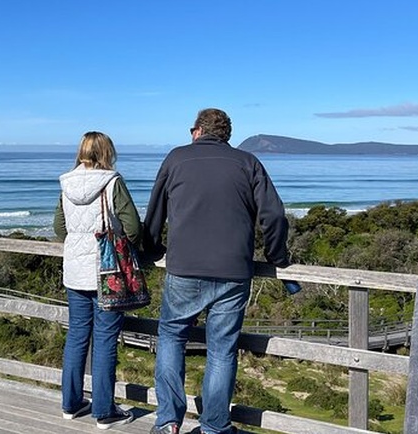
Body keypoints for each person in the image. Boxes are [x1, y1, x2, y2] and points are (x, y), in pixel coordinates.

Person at [144, 109, 290, 434]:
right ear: (226, 135)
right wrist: (276, 255)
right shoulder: (247, 162)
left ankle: (168, 421)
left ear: (196, 131)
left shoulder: (176, 158)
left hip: (184, 267)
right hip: (233, 270)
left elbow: (155, 210)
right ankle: (213, 427)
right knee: (221, 350)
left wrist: (151, 250)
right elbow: (275, 216)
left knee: (170, 338)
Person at [53, 131, 141, 430]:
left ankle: (71, 403)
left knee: (77, 336)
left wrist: (77, 243)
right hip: (107, 272)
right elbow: (132, 227)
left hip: (75, 271)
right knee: (105, 339)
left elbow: (59, 227)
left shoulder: (66, 183)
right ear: (107, 152)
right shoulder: (112, 181)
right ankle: (104, 411)